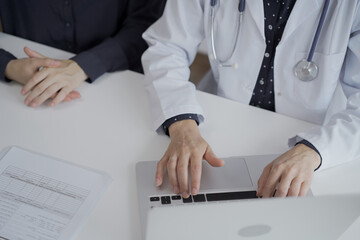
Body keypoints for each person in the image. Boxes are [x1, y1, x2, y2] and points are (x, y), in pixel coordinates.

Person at [141, 0, 360, 199]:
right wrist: (182, 123)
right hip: (220, 124)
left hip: (312, 133)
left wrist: (315, 150)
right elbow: (167, 47)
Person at [0, 0, 165, 107]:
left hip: (121, 84)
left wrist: (84, 65)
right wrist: (9, 66)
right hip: (21, 89)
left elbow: (147, 24)